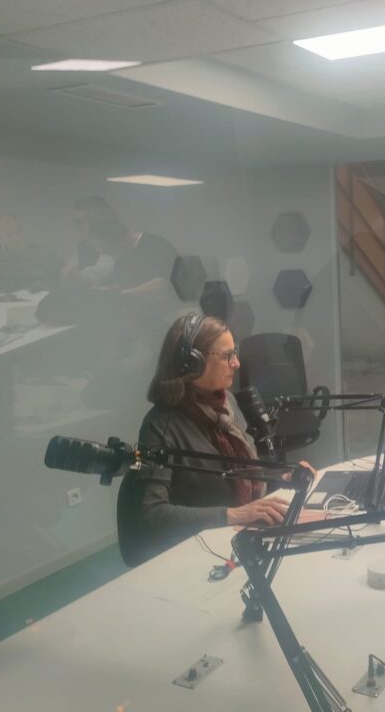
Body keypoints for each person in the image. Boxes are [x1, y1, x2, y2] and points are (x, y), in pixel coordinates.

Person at [117, 314, 293, 566]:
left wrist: (280, 476)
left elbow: (241, 472)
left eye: (235, 353)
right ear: (193, 363)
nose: (237, 363)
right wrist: (233, 515)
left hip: (238, 539)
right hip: (200, 553)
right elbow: (151, 513)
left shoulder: (227, 402)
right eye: (227, 356)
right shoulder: (161, 426)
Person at [86, 218, 177, 294]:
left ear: (117, 239)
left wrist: (122, 294)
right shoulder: (121, 254)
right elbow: (126, 284)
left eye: (102, 246)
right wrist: (108, 290)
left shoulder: (155, 245)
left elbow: (162, 284)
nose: (102, 252)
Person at [0, 214, 61, 293]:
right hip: (3, 301)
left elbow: (57, 283)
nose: (16, 238)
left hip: (38, 301)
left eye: (19, 232)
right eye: (9, 235)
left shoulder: (45, 254)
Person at [60, 196, 116, 287]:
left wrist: (71, 274)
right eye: (78, 222)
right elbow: (68, 270)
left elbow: (96, 277)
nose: (80, 227)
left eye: (87, 220)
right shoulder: (84, 245)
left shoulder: (115, 243)